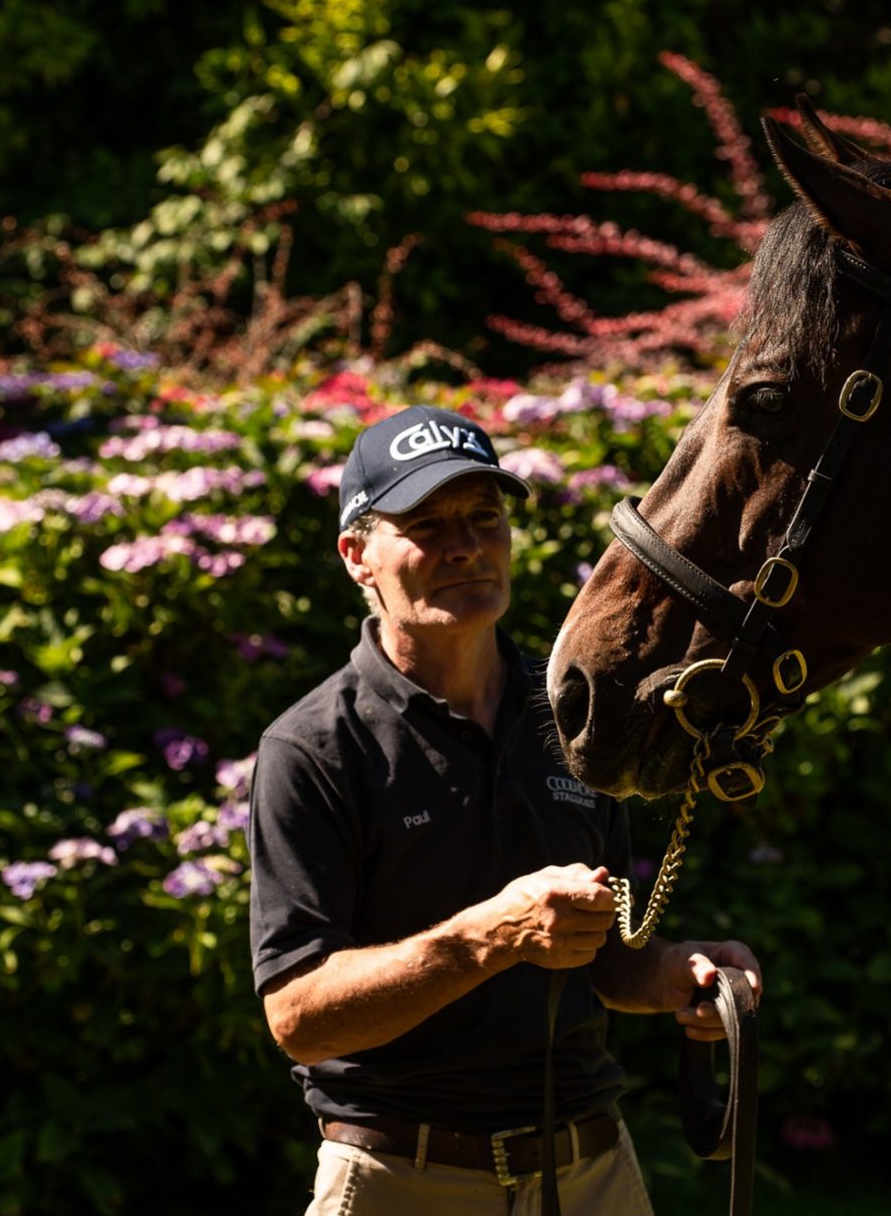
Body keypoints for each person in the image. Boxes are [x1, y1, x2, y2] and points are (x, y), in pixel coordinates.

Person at [247, 404, 762, 1215]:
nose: (464, 545)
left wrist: (671, 975)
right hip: (401, 1177)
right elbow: (299, 1014)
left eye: (483, 516)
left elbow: (597, 956)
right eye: (425, 523)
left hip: (590, 1169)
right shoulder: (314, 747)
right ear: (357, 556)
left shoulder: (572, 713)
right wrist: (487, 936)